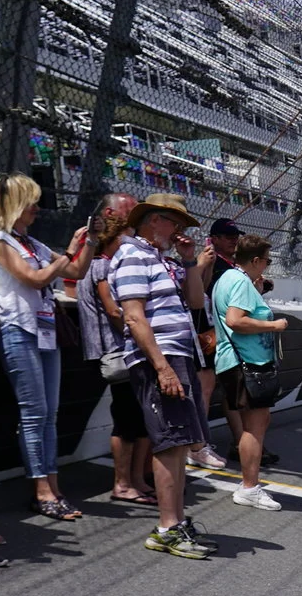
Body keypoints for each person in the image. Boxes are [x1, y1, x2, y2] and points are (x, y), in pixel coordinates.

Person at [0, 172, 88, 521]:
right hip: (18, 329)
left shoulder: (33, 243)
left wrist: (89, 243)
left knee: (49, 413)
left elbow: (76, 270)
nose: (37, 208)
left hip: (44, 331)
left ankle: (53, 487)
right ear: (15, 203)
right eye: (32, 202)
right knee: (34, 413)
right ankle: (41, 489)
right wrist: (68, 253)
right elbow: (33, 278)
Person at [111, 193, 211, 559]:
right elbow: (134, 316)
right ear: (155, 220)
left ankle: (175, 522)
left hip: (177, 353)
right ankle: (168, 526)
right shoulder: (132, 255)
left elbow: (196, 301)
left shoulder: (161, 259)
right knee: (169, 442)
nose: (179, 230)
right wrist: (162, 366)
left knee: (179, 442)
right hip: (161, 357)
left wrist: (189, 260)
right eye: (175, 222)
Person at [77, 194, 153, 506]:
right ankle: (123, 483)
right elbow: (113, 310)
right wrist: (142, 329)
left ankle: (135, 480)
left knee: (135, 418)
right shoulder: (101, 267)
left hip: (121, 350)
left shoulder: (100, 265)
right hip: (116, 350)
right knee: (126, 419)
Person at [211, 234, 288, 511]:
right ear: (255, 260)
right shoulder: (240, 282)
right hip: (247, 362)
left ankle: (249, 485)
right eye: (267, 260)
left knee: (256, 423)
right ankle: (249, 487)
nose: (267, 265)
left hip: (237, 361)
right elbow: (235, 320)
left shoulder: (230, 279)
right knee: (254, 427)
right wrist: (274, 326)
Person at [190, 218, 240, 471]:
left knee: (218, 386)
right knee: (205, 387)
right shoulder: (209, 261)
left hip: (217, 331)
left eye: (236, 237)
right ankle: (197, 445)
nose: (234, 241)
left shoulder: (228, 264)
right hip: (205, 330)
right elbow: (201, 293)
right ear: (215, 239)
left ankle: (202, 442)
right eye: (228, 237)